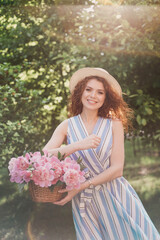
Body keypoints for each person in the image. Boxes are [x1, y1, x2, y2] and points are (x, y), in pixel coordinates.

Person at [43, 67, 160, 240]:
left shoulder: (114, 124)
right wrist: (76, 146)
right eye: (89, 89)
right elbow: (44, 156)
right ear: (80, 92)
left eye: (100, 92)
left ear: (106, 98)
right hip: (85, 202)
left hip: (115, 194)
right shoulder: (66, 126)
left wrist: (81, 186)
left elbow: (117, 169)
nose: (93, 96)